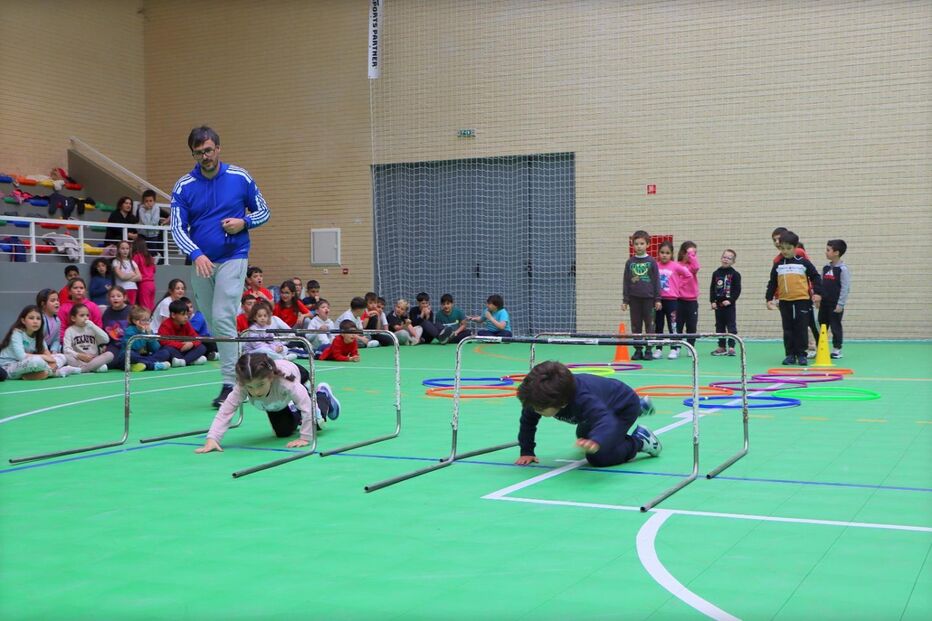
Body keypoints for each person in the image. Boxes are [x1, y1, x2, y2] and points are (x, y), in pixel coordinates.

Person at [170, 125, 271, 408]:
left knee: (223, 315)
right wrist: (196, 253)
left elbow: (264, 211)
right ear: (193, 153)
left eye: (209, 150)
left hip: (234, 255)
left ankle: (232, 383)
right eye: (199, 152)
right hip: (202, 261)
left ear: (218, 149)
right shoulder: (184, 186)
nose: (205, 156)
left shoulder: (240, 177)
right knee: (216, 323)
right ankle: (250, 368)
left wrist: (245, 222)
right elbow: (177, 228)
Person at [514, 361, 660, 467]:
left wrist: (597, 440)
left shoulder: (584, 399)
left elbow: (605, 420)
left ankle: (640, 440)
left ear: (563, 403)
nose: (533, 409)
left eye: (538, 409)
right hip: (602, 405)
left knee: (599, 457)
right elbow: (527, 422)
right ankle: (641, 408)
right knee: (584, 438)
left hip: (621, 408)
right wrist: (527, 451)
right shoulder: (536, 397)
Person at [195, 353, 341, 453]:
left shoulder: (286, 383)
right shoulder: (242, 386)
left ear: (270, 378)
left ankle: (322, 395)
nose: (256, 392)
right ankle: (292, 408)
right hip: (275, 401)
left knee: (317, 423)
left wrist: (305, 437)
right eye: (250, 387)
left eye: (260, 385)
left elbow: (307, 408)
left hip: (298, 376)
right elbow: (226, 411)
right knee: (283, 432)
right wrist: (212, 438)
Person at [766, 231, 822, 366]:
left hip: (802, 301)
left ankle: (802, 354)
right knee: (788, 329)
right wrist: (769, 298)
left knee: (801, 328)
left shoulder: (804, 263)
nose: (785, 251)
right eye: (782, 248)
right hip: (785, 302)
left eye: (788, 248)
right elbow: (772, 282)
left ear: (795, 247)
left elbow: (815, 277)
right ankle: (790, 354)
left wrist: (818, 293)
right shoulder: (778, 265)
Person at [0, 306, 81, 380]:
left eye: (38, 319)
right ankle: (56, 372)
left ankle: (39, 374)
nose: (35, 321)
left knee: (62, 356)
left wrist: (52, 362)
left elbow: (49, 355)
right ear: (23, 320)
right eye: (31, 318)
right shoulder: (17, 333)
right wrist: (44, 357)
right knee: (37, 361)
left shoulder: (38, 335)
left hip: (27, 364)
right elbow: (21, 356)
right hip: (8, 366)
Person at [621, 231, 660, 360]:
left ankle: (649, 350)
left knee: (650, 325)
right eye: (636, 244)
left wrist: (657, 299)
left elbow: (656, 281)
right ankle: (638, 350)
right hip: (634, 299)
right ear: (633, 245)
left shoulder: (652, 261)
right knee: (636, 325)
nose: (639, 246)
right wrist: (625, 300)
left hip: (649, 299)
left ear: (648, 245)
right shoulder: (630, 262)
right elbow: (626, 281)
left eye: (642, 243)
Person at [654, 241, 689, 359]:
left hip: (672, 301)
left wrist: (679, 285)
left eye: (667, 253)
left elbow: (688, 275)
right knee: (658, 325)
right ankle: (658, 349)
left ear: (672, 254)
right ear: (658, 253)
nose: (664, 255)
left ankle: (673, 348)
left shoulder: (675, 266)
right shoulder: (655, 266)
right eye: (662, 252)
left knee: (672, 325)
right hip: (658, 300)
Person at [820, 239, 850, 359]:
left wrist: (840, 304)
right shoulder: (825, 268)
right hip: (824, 303)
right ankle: (820, 348)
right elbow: (821, 284)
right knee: (822, 325)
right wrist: (818, 297)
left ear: (836, 252)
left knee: (835, 326)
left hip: (835, 305)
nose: (826, 252)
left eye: (828, 250)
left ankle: (837, 349)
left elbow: (845, 288)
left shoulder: (843, 269)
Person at [63, 303, 114, 373]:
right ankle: (90, 368)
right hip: (79, 360)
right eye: (82, 315)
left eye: (87, 315)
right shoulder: (69, 330)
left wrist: (93, 326)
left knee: (109, 355)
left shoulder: (92, 328)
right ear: (73, 318)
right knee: (66, 357)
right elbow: (66, 349)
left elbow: (106, 340)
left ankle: (82, 370)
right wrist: (79, 355)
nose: (85, 318)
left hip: (94, 360)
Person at [156, 299, 208, 368]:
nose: (186, 317)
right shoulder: (165, 325)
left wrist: (191, 343)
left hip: (185, 349)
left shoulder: (186, 324)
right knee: (167, 350)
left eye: (186, 314)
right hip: (175, 350)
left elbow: (196, 337)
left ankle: (183, 361)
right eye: (183, 314)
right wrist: (181, 345)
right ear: (173, 315)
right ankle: (191, 360)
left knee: (202, 347)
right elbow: (164, 342)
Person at [710, 249, 742, 356]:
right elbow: (712, 288)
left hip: (729, 306)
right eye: (724, 257)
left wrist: (730, 300)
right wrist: (712, 301)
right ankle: (721, 346)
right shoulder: (716, 273)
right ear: (721, 258)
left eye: (729, 258)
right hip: (718, 306)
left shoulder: (735, 274)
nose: (726, 259)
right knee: (719, 326)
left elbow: (737, 290)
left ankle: (732, 347)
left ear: (733, 261)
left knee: (731, 326)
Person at [122, 305, 172, 371]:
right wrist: (143, 333)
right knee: (130, 354)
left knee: (165, 353)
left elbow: (155, 348)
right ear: (135, 321)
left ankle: (142, 364)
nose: (147, 323)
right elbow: (135, 347)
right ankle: (153, 365)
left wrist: (150, 334)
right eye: (144, 320)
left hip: (144, 356)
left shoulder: (148, 331)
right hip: (129, 357)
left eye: (148, 320)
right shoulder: (129, 331)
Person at [673, 241, 700, 356]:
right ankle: (676, 347)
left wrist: (692, 254)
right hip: (678, 300)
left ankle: (690, 346)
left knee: (691, 325)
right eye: (689, 253)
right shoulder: (676, 265)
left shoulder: (692, 267)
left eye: (694, 254)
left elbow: (696, 266)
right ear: (683, 253)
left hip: (691, 301)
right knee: (677, 325)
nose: (692, 256)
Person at [58, 278, 103, 342]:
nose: (79, 290)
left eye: (81, 288)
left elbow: (98, 325)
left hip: (91, 341)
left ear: (85, 291)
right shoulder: (63, 308)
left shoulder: (93, 306)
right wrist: (65, 341)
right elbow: (61, 328)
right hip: (70, 342)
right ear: (69, 292)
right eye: (75, 288)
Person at [102, 286, 131, 368]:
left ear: (124, 297)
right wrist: (104, 345)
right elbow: (104, 330)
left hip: (127, 344)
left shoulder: (130, 311)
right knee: (110, 362)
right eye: (112, 296)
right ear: (109, 298)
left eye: (118, 296)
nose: (115, 298)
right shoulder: (107, 312)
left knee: (129, 357)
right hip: (113, 345)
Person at [136, 189, 168, 258]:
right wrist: (147, 211)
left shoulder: (156, 208)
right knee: (141, 251)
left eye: (150, 201)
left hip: (153, 234)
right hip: (142, 234)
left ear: (154, 201)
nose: (148, 203)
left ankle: (156, 259)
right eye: (146, 201)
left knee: (152, 252)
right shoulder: (141, 209)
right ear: (143, 201)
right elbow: (145, 222)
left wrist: (162, 222)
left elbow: (154, 222)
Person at [111, 240, 141, 305]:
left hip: (132, 289)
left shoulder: (133, 262)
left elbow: (139, 277)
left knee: (130, 309)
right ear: (118, 250)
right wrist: (132, 274)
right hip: (121, 290)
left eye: (127, 248)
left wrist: (126, 277)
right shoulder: (116, 262)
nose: (125, 250)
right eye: (123, 248)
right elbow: (121, 276)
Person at [132, 236, 157, 311]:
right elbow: (154, 270)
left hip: (143, 284)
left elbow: (133, 268)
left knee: (144, 308)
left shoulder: (137, 256)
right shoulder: (149, 257)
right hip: (152, 283)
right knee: (151, 306)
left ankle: (146, 322)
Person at [36, 288, 62, 354]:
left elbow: (56, 339)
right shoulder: (39, 319)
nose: (57, 303)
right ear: (43, 304)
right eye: (53, 301)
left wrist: (54, 351)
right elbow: (39, 338)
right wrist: (46, 352)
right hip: (36, 350)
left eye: (57, 300)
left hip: (49, 350)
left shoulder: (57, 320)